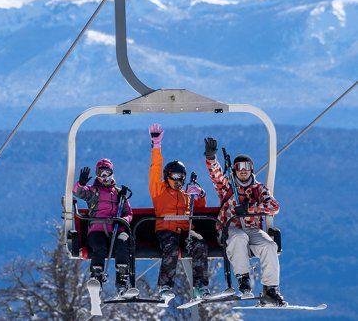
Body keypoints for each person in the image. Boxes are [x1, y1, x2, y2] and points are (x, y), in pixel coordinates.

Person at [203, 137, 286, 306]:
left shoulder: (258, 189)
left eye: (246, 167)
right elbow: (217, 176)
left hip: (252, 229)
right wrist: (211, 158)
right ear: (234, 169)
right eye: (239, 167)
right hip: (231, 228)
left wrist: (250, 209)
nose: (243, 171)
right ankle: (243, 279)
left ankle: (271, 288)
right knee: (239, 238)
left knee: (269, 245)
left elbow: (274, 206)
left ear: (251, 169)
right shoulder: (228, 187)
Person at [148, 124, 210, 300]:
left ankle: (200, 286)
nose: (177, 181)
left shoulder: (186, 194)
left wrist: (199, 193)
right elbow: (155, 169)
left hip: (184, 230)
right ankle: (165, 286)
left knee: (199, 244)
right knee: (172, 248)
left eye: (180, 177)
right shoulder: (159, 191)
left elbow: (200, 209)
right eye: (174, 177)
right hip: (166, 231)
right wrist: (156, 146)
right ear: (167, 176)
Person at [73, 158, 134, 297]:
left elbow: (128, 213)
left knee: (123, 245)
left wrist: (123, 221)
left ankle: (122, 280)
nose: (104, 177)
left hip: (116, 229)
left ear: (112, 173)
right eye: (101, 173)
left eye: (107, 173)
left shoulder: (119, 193)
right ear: (97, 175)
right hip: (97, 229)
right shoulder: (93, 191)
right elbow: (78, 192)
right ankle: (96, 278)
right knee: (99, 247)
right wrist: (81, 184)